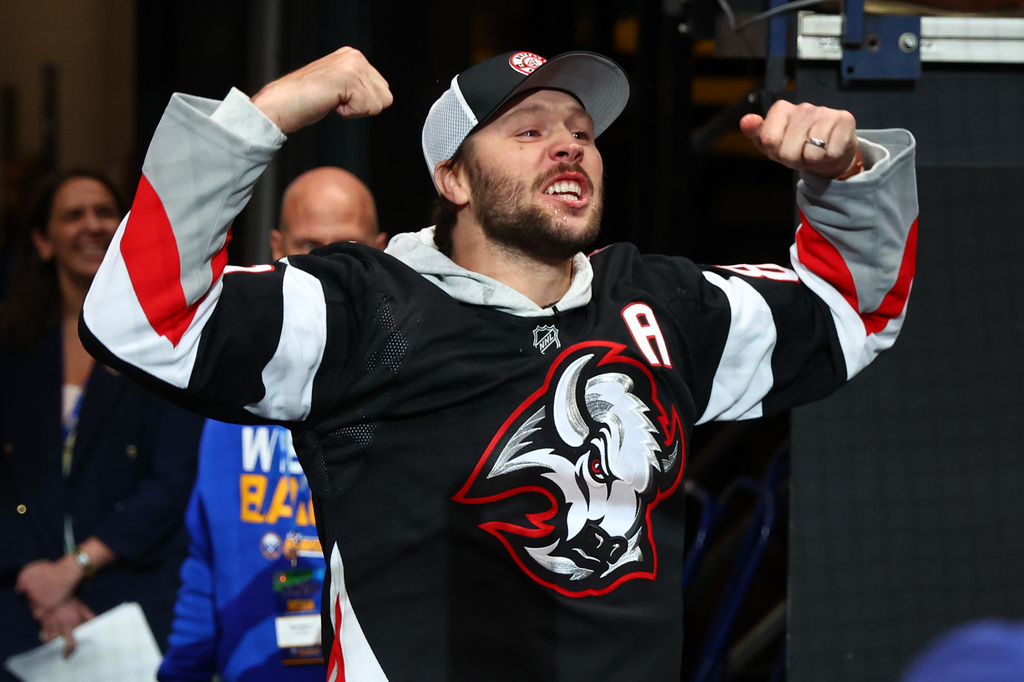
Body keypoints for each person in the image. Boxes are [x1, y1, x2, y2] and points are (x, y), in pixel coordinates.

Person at [79, 47, 918, 681]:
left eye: (581, 134)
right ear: (453, 178)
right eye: (529, 130)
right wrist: (266, 114)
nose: (568, 148)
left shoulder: (655, 302)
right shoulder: (363, 309)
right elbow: (143, 318)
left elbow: (851, 314)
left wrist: (843, 180)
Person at [159, 166, 384, 682]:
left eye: (346, 245)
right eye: (310, 245)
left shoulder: (411, 386)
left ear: (381, 249)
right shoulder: (229, 388)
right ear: (276, 246)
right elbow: (205, 556)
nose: (328, 265)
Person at [0, 170, 204, 671]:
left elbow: (173, 478)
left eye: (105, 214)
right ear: (43, 242)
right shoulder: (11, 349)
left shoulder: (167, 341)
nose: (92, 226)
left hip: (131, 597)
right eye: (73, 216)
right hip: (21, 598)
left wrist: (76, 567)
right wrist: (38, 578)